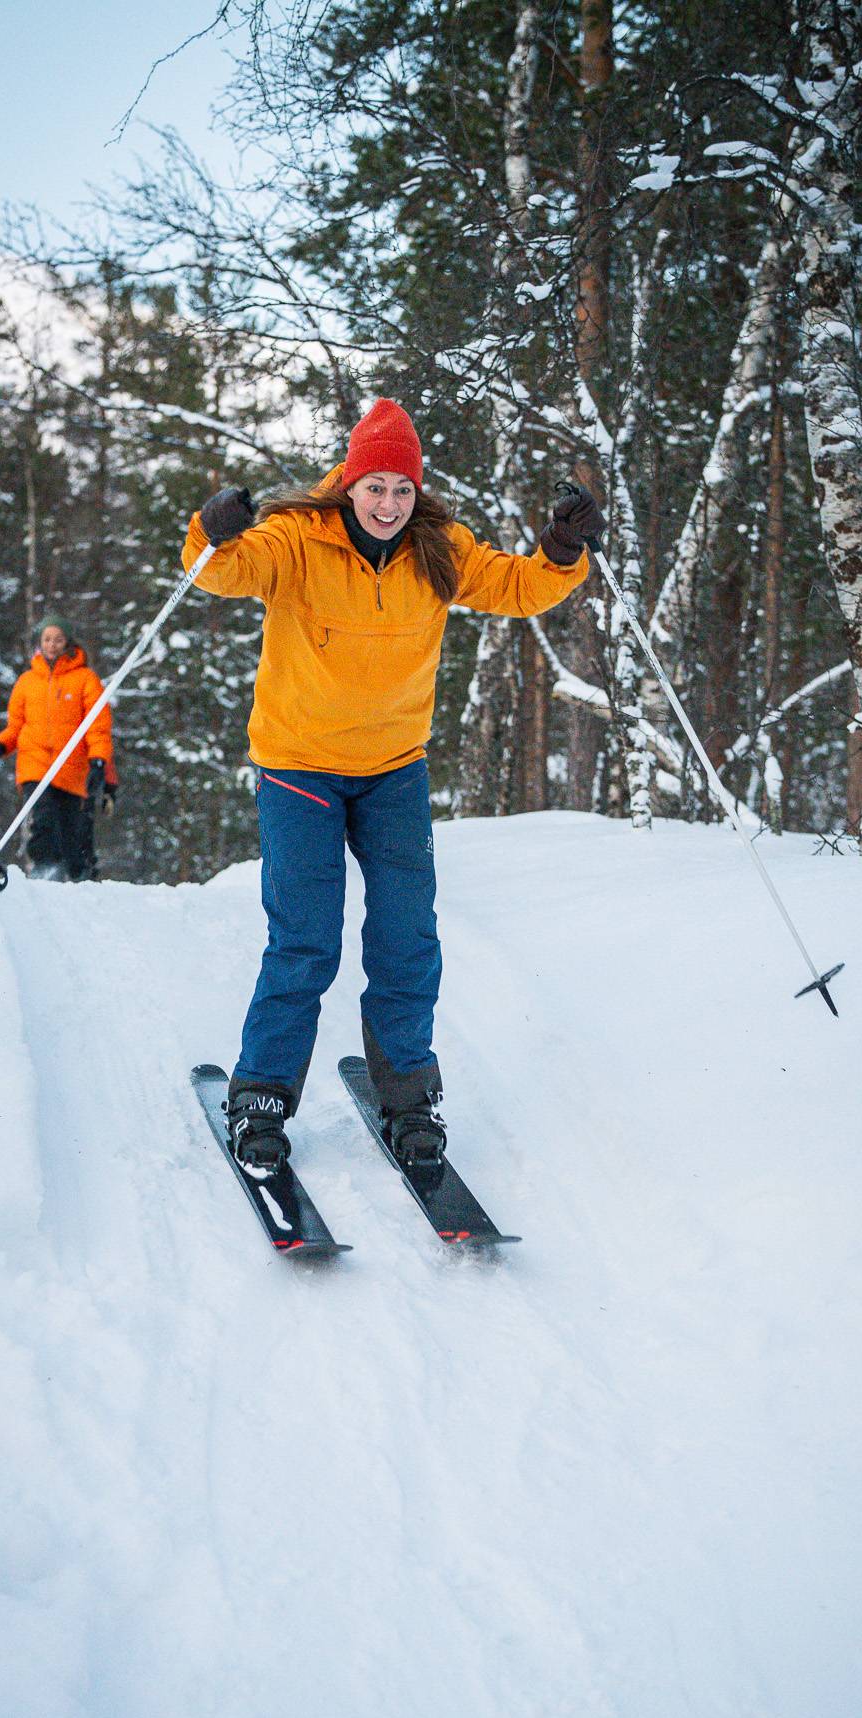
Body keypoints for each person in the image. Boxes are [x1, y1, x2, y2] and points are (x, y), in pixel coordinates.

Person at [183, 396, 602, 1176]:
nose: (387, 503)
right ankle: (262, 1094)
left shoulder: (439, 548)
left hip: (392, 771)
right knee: (306, 940)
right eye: (374, 486)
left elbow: (518, 588)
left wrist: (561, 547)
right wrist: (214, 530)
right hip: (299, 767)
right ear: (348, 483)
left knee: (407, 938)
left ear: (417, 491)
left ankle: (410, 1098)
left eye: (401, 489)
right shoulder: (295, 539)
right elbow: (222, 572)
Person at [0, 612, 114, 882]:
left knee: (71, 828)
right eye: (47, 639)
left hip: (72, 767)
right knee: (43, 817)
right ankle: (44, 867)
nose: (52, 645)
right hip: (36, 765)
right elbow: (16, 726)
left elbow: (98, 727)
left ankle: (78, 876)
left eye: (58, 639)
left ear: (68, 643)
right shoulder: (27, 682)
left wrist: (98, 760)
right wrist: (0, 746)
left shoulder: (85, 679)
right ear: (40, 643)